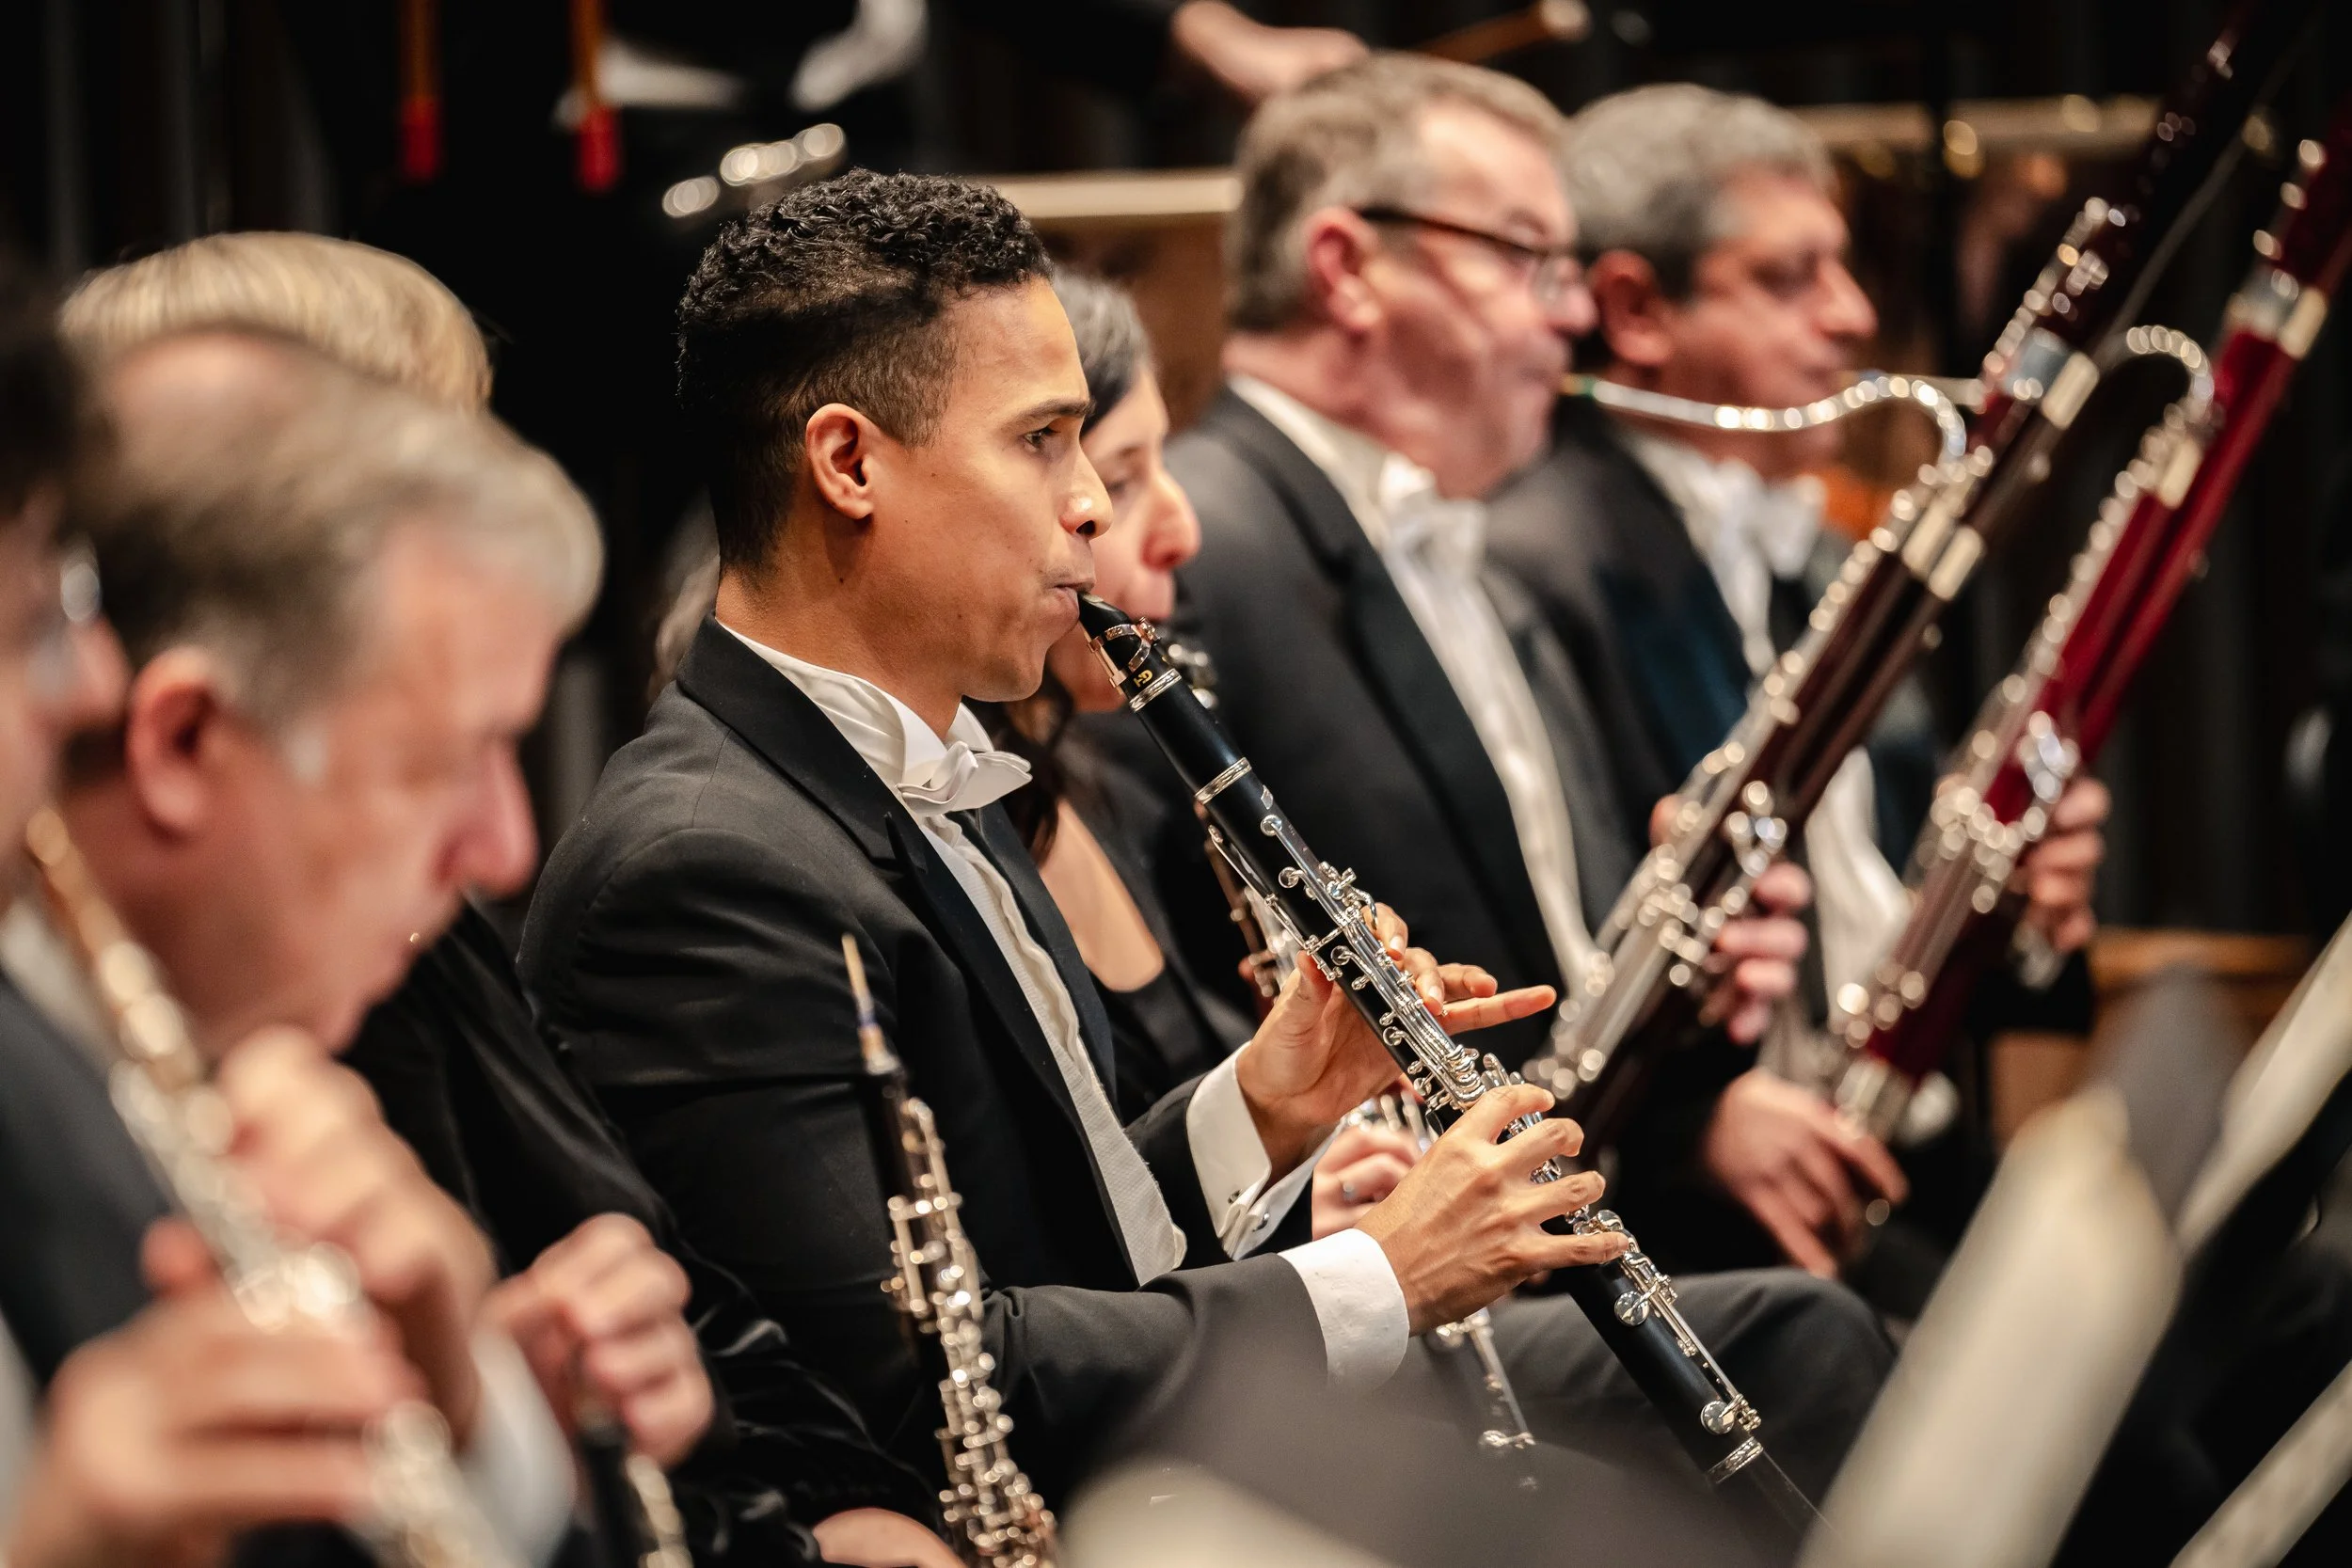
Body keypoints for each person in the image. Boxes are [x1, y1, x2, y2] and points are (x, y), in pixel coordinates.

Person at [521, 168, 1889, 1531]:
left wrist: (1265, 1102)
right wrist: (1382, 1275)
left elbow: (1061, 1250)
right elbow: (928, 1388)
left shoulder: (934, 768)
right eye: (1045, 441)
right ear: (850, 462)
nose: (1096, 510)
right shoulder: (704, 868)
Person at [59, 232, 953, 1568]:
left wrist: (504, 1428)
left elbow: (688, 1320)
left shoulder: (374, 937)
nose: (503, 839)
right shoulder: (239, 993)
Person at [1483, 84, 2108, 1282]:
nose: (1852, 314)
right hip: (1712, 1224)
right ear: (1631, 308)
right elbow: (1546, 951)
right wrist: (1677, 1134)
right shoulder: (1539, 562)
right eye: (1787, 278)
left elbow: (1886, 903)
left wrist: (2019, 913)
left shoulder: (1819, 553)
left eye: (1842, 268)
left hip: (1900, 1157)